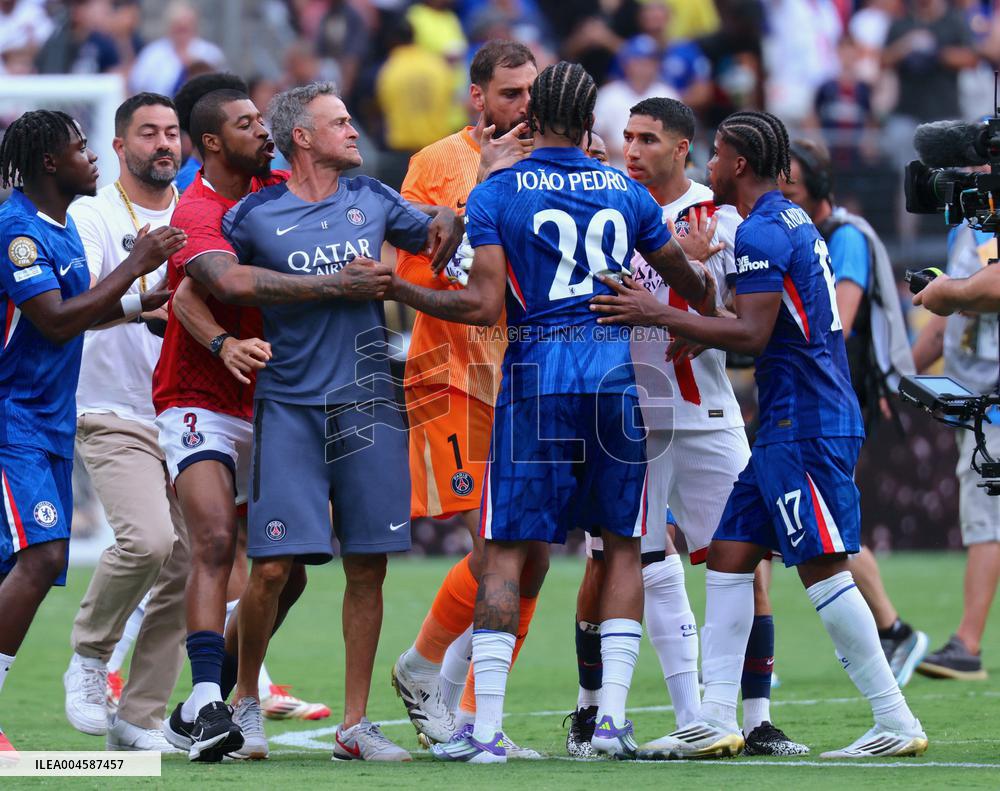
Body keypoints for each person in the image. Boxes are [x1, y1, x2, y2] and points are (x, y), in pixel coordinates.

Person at [390, 61, 713, 763]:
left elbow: (479, 304)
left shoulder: (497, 189)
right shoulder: (626, 190)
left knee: (505, 550)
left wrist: (401, 291)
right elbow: (692, 286)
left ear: (533, 117)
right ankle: (611, 722)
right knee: (623, 545)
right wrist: (685, 293)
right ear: (593, 117)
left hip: (535, 376)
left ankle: (484, 730)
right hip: (612, 377)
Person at [592, 109, 928, 760]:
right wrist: (696, 328)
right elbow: (758, 331)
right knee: (728, 555)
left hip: (804, 420)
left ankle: (895, 716)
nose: (708, 167)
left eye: (715, 155)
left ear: (738, 164)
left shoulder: (759, 233)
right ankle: (715, 718)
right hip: (786, 417)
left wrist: (658, 311)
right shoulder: (786, 221)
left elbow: (750, 334)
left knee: (823, 565)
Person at [217, 82, 461, 763]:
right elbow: (190, 292)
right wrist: (222, 343)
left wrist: (450, 219)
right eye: (340, 122)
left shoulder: (374, 199)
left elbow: (437, 224)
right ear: (302, 136)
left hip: (370, 408)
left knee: (368, 567)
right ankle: (243, 702)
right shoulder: (254, 215)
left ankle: (354, 725)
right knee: (270, 570)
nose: (355, 131)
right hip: (289, 405)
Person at [568, 97, 807, 759]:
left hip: (704, 412)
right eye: (628, 137)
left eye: (648, 138)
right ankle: (616, 713)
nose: (633, 149)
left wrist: (699, 278)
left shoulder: (721, 216)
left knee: (743, 557)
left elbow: (740, 319)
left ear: (682, 148)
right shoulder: (609, 209)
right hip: (627, 417)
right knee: (626, 559)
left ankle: (753, 718)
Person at [0, 109, 184, 757]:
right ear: (51, 162)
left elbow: (82, 312)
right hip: (12, 417)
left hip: (47, 418)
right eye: (81, 148)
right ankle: (82, 666)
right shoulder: (17, 230)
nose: (91, 158)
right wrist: (135, 265)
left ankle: (139, 712)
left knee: (21, 562)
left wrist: (139, 305)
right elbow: (52, 320)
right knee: (46, 554)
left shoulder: (59, 230)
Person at [389, 39, 539, 750]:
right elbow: (417, 274)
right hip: (452, 374)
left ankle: (450, 693)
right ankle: (446, 691)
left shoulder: (561, 161)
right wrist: (481, 186)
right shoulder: (432, 164)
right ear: (477, 96)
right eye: (509, 93)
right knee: (492, 549)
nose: (523, 105)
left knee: (531, 550)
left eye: (531, 91)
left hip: (537, 377)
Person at [62, 92, 188, 752]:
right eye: (148, 133)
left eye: (172, 132)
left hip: (189, 412)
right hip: (111, 408)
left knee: (188, 562)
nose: (163, 143)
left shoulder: (199, 215)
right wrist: (146, 298)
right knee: (147, 540)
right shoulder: (91, 216)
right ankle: (88, 656)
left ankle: (139, 717)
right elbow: (72, 311)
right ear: (119, 146)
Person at [781, 138, 929, 688]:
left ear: (818, 188)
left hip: (833, 394)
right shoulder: (809, 233)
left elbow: (837, 324)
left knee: (823, 523)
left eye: (791, 185)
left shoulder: (845, 239)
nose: (782, 193)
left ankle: (893, 628)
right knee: (800, 520)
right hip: (809, 392)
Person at [911, 224, 1000, 680]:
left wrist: (950, 291)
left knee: (987, 522)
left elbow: (982, 290)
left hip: (993, 401)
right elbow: (944, 318)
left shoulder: (975, 225)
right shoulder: (966, 224)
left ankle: (967, 643)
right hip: (977, 397)